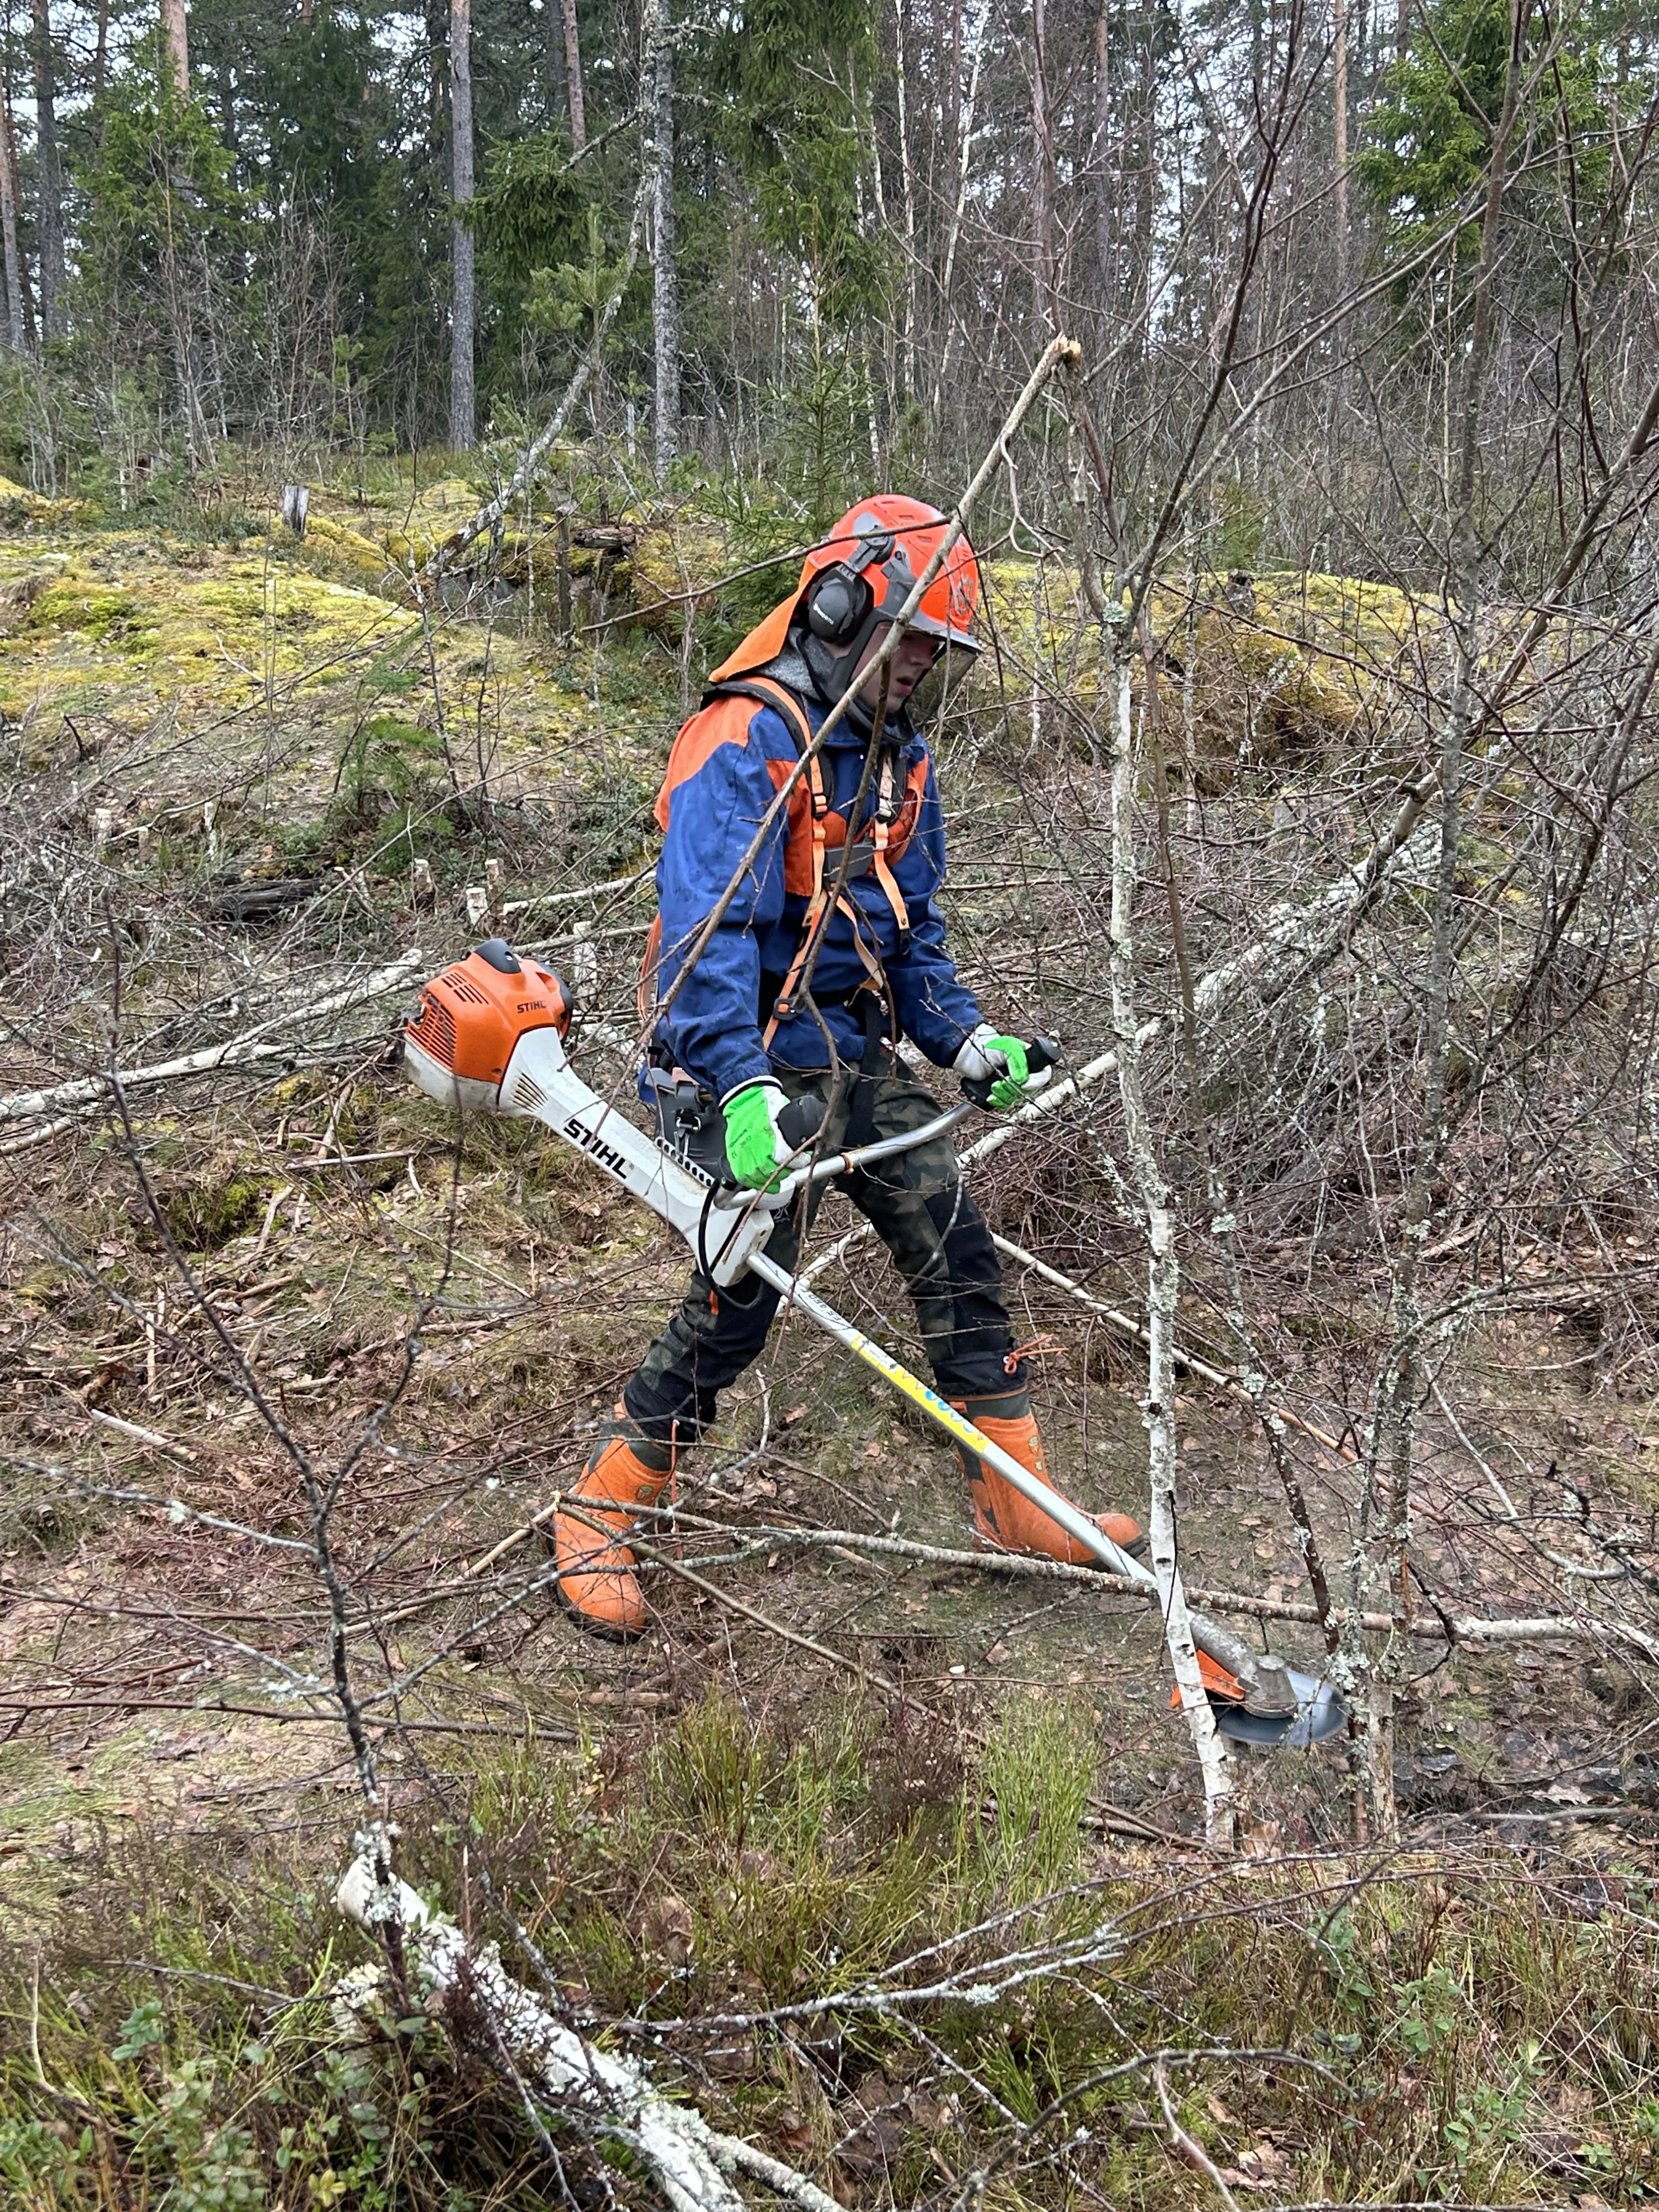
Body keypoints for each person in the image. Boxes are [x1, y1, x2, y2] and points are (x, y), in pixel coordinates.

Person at [550, 495, 1144, 1637]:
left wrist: (968, 1041)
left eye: (941, 649)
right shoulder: (746, 740)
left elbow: (910, 933)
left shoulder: (898, 758)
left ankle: (1012, 1495)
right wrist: (734, 1087)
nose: (924, 662)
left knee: (953, 1231)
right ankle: (608, 1495)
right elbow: (702, 940)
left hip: (843, 1038)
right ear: (841, 602)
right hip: (733, 1050)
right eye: (912, 633)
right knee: (746, 1281)